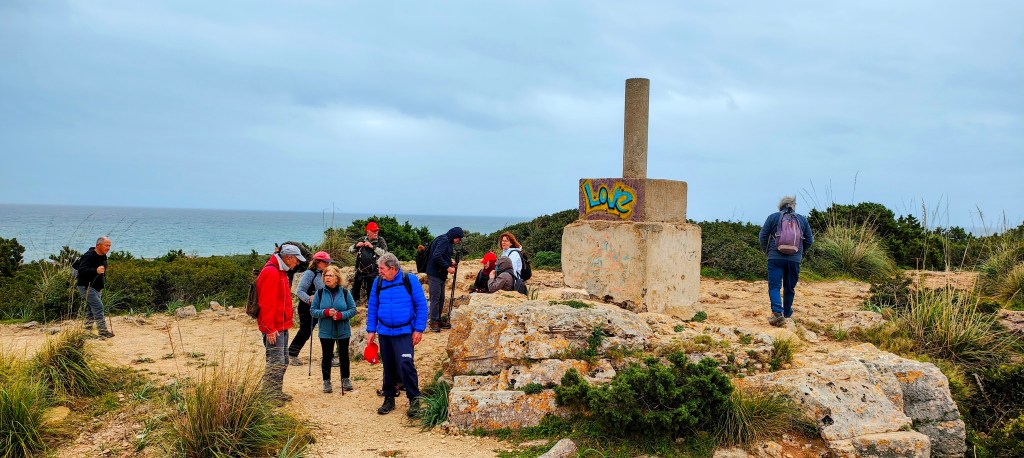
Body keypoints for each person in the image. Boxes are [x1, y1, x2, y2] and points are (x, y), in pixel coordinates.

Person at [366, 253, 428, 417]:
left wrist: (419, 329)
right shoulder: (378, 282)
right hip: (385, 331)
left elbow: (421, 305)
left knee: (405, 364)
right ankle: (389, 398)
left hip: (405, 331)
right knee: (388, 366)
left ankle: (414, 399)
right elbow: (372, 306)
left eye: (382, 269)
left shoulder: (410, 280)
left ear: (392, 269)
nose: (379, 272)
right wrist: (371, 330)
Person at [257, 243, 304, 403]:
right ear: (289, 257)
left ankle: (275, 393)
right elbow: (266, 303)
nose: (297, 264)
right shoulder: (272, 272)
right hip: (274, 327)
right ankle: (269, 396)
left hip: (280, 325)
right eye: (296, 260)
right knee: (276, 361)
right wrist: (269, 328)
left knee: (282, 360)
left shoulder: (279, 270)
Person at [758, 196, 814, 327]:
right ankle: (788, 314)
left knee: (774, 286)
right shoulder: (802, 219)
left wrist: (768, 251)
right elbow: (809, 241)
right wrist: (799, 252)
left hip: (775, 258)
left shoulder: (773, 217)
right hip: (794, 259)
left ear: (780, 206)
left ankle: (777, 314)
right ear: (793, 205)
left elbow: (763, 236)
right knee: (789, 287)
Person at [310, 265, 357, 393]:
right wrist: (326, 312)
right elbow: (313, 311)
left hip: (342, 330)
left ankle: (345, 379)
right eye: (325, 275)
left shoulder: (345, 292)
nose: (327, 278)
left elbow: (353, 310)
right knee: (326, 356)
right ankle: (326, 381)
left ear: (337, 278)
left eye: (330, 275)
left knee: (343, 355)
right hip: (325, 331)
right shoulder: (319, 293)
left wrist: (341, 315)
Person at [288, 251, 332, 366]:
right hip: (307, 307)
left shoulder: (325, 273)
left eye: (328, 262)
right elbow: (300, 291)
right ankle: (291, 354)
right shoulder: (309, 273)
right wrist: (309, 299)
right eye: (325, 261)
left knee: (327, 331)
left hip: (322, 307)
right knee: (305, 331)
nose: (328, 264)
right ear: (317, 262)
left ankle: (329, 357)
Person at [425, 227, 464, 332]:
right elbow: (436, 256)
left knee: (441, 298)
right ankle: (433, 321)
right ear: (454, 236)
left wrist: (449, 263)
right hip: (435, 274)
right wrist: (447, 267)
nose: (458, 241)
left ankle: (437, 319)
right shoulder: (444, 240)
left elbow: (442, 255)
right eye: (458, 239)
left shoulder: (445, 240)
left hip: (439, 274)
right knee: (435, 298)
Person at [75, 236, 114, 338]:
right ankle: (103, 331)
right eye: (106, 245)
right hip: (86, 286)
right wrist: (95, 271)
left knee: (91, 309)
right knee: (98, 306)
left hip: (97, 287)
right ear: (98, 245)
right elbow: (81, 271)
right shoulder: (89, 256)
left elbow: (103, 271)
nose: (108, 248)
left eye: (109, 246)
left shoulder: (103, 256)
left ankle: (86, 331)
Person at [349, 222, 389, 304]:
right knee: (357, 283)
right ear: (368, 232)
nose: (376, 233)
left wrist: (373, 247)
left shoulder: (380, 240)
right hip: (360, 268)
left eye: (377, 231)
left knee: (371, 285)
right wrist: (356, 246)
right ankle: (355, 300)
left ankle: (371, 302)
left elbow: (385, 253)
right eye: (373, 231)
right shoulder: (361, 239)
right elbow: (350, 250)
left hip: (374, 269)